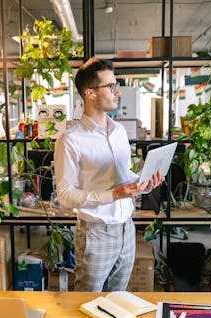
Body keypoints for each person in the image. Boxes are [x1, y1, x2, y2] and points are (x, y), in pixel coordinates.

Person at [54, 57, 163, 292]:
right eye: (110, 86)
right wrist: (112, 195)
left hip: (127, 227)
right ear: (90, 93)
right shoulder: (70, 140)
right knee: (87, 302)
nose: (117, 92)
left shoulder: (119, 131)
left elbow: (123, 175)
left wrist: (142, 183)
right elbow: (64, 195)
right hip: (96, 232)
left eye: (116, 85)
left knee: (118, 301)